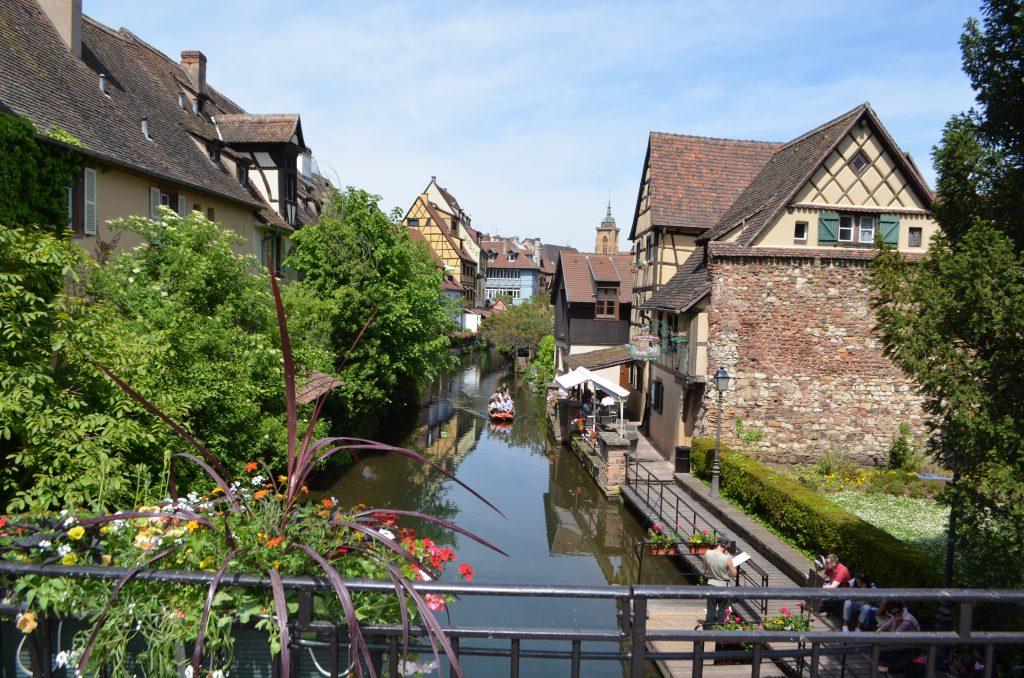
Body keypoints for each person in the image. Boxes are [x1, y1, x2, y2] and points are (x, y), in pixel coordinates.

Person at [702, 533, 738, 628]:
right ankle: (720, 630)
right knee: (722, 610)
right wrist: (734, 565)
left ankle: (707, 630)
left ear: (717, 543)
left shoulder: (707, 553)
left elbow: (705, 567)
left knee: (710, 610)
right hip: (723, 586)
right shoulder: (727, 558)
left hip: (711, 584)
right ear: (726, 546)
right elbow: (734, 574)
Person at [876, 600, 921, 674]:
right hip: (904, 641)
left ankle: (889, 668)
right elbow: (884, 626)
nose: (897, 614)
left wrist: (896, 622)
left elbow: (893, 636)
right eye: (894, 613)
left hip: (913, 645)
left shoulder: (907, 621)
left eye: (899, 612)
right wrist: (874, 636)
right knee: (881, 649)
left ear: (902, 610)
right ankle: (886, 663)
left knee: (891, 651)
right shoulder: (895, 617)